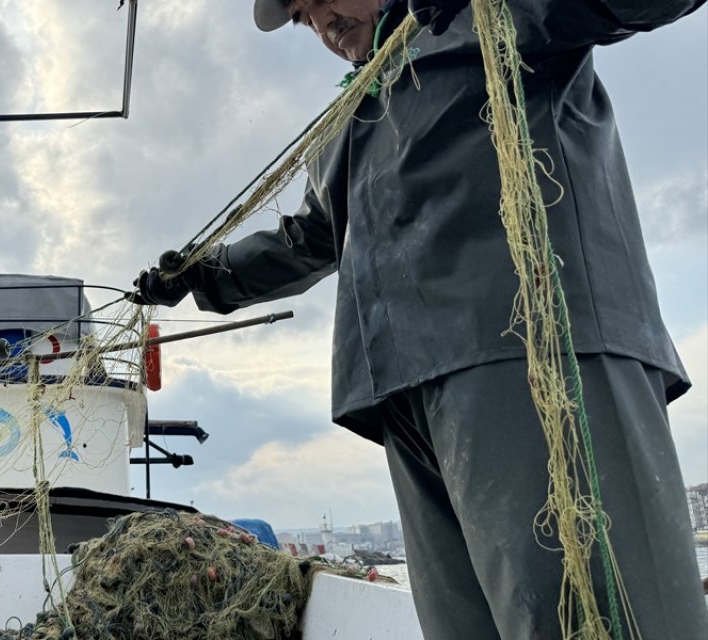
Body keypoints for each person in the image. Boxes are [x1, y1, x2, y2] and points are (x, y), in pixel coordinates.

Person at [130, 0, 708, 636]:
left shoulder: (495, 13)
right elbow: (311, 237)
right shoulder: (348, 118)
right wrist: (201, 276)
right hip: (401, 394)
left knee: (582, 607)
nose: (320, 20)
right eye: (301, 16)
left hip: (530, 352)